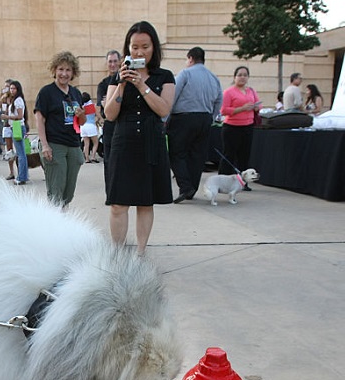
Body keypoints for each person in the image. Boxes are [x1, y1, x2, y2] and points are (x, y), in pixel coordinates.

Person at [103, 20, 175, 256]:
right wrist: (122, 85)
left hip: (150, 143)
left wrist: (142, 84)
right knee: (118, 203)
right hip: (123, 143)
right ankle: (118, 253)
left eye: (145, 46)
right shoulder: (117, 77)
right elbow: (109, 114)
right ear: (127, 48)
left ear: (154, 47)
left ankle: (140, 253)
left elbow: (163, 109)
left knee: (145, 201)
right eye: (134, 47)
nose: (139, 52)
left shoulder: (164, 76)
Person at [167, 46, 222, 203]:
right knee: (197, 155)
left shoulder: (185, 73)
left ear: (190, 58)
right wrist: (211, 117)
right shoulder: (213, 78)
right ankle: (192, 188)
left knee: (176, 153)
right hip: (205, 118)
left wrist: (165, 117)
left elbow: (173, 95)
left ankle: (185, 186)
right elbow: (219, 100)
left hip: (183, 118)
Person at [35, 51, 85, 207]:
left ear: (73, 72)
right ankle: (55, 220)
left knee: (68, 193)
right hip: (54, 144)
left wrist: (81, 115)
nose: (64, 73)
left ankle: (63, 216)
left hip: (73, 144)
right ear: (54, 70)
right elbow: (40, 119)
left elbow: (81, 122)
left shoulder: (76, 93)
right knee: (56, 192)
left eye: (68, 70)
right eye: (61, 69)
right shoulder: (46, 92)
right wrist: (45, 145)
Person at [219, 66, 261, 177]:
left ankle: (243, 181)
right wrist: (242, 108)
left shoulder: (251, 91)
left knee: (244, 156)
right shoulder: (228, 92)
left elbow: (259, 104)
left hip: (248, 127)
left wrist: (256, 107)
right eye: (240, 75)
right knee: (229, 155)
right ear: (235, 77)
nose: (242, 77)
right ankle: (223, 179)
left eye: (245, 75)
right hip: (232, 127)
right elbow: (223, 110)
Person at [96, 49, 121, 176]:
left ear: (120, 62)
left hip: (123, 124)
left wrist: (110, 101)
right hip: (110, 125)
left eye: (115, 61)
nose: (112, 64)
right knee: (109, 161)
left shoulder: (126, 79)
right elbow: (103, 105)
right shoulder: (103, 84)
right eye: (110, 61)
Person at [3, 80, 30, 184]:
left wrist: (7, 117)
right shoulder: (15, 99)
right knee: (21, 153)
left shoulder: (18, 100)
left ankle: (21, 177)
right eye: (11, 88)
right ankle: (23, 176)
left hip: (17, 126)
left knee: (21, 153)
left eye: (14, 88)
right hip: (15, 126)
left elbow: (20, 116)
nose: (12, 90)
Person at [79, 92, 99, 163]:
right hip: (91, 125)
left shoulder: (81, 107)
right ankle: (93, 157)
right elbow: (98, 116)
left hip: (83, 126)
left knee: (86, 144)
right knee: (95, 142)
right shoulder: (93, 106)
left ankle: (87, 159)